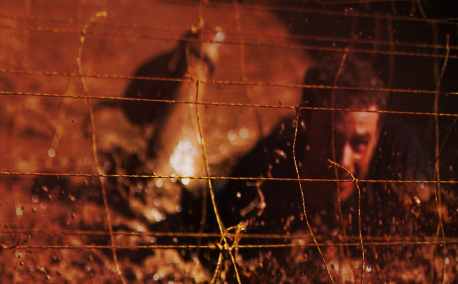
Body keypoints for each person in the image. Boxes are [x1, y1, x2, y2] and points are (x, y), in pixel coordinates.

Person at [151, 52, 434, 246]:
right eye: (330, 138)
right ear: (306, 122)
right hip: (215, 192)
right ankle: (197, 61)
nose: (344, 160)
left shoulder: (400, 157)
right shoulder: (266, 173)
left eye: (359, 144)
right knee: (160, 187)